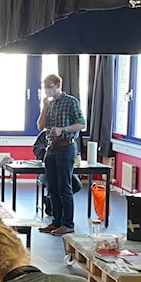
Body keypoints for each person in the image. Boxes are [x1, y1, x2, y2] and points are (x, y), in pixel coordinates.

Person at [36, 74, 85, 236]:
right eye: (45, 86)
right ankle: (56, 222)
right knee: (53, 187)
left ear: (58, 85)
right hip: (51, 148)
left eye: (49, 86)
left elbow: (81, 124)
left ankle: (68, 224)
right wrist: (44, 107)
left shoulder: (71, 101)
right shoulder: (50, 104)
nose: (47, 89)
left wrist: (63, 130)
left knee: (64, 187)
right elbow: (40, 126)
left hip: (66, 147)